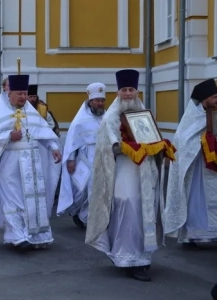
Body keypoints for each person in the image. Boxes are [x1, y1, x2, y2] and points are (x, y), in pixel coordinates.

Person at [85, 69, 175, 281]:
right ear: (118, 92)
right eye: (124, 90)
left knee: (146, 210)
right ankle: (127, 258)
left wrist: (160, 146)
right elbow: (110, 147)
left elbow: (151, 138)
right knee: (127, 208)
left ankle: (142, 257)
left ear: (136, 91)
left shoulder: (142, 113)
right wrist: (130, 148)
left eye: (131, 90)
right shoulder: (110, 117)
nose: (128, 94)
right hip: (124, 171)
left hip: (145, 172)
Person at [0, 73, 62, 252]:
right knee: (14, 201)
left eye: (25, 93)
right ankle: (18, 236)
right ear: (9, 94)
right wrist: (8, 136)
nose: (23, 97)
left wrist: (53, 147)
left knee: (34, 200)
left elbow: (43, 132)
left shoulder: (30, 111)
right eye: (19, 93)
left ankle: (37, 235)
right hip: (10, 166)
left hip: (32, 165)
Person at [165, 78, 217, 245]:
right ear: (205, 98)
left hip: (211, 167)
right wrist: (204, 143)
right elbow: (184, 141)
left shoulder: (215, 113)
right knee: (196, 200)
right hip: (196, 168)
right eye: (215, 97)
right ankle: (193, 234)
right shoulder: (192, 118)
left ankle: (213, 232)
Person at [57, 82, 106, 228]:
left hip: (103, 157)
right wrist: (71, 160)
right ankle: (79, 213)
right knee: (82, 190)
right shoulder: (80, 120)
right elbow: (72, 141)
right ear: (90, 102)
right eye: (97, 100)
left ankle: (90, 218)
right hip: (85, 158)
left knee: (99, 189)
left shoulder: (107, 117)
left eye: (102, 100)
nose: (100, 103)